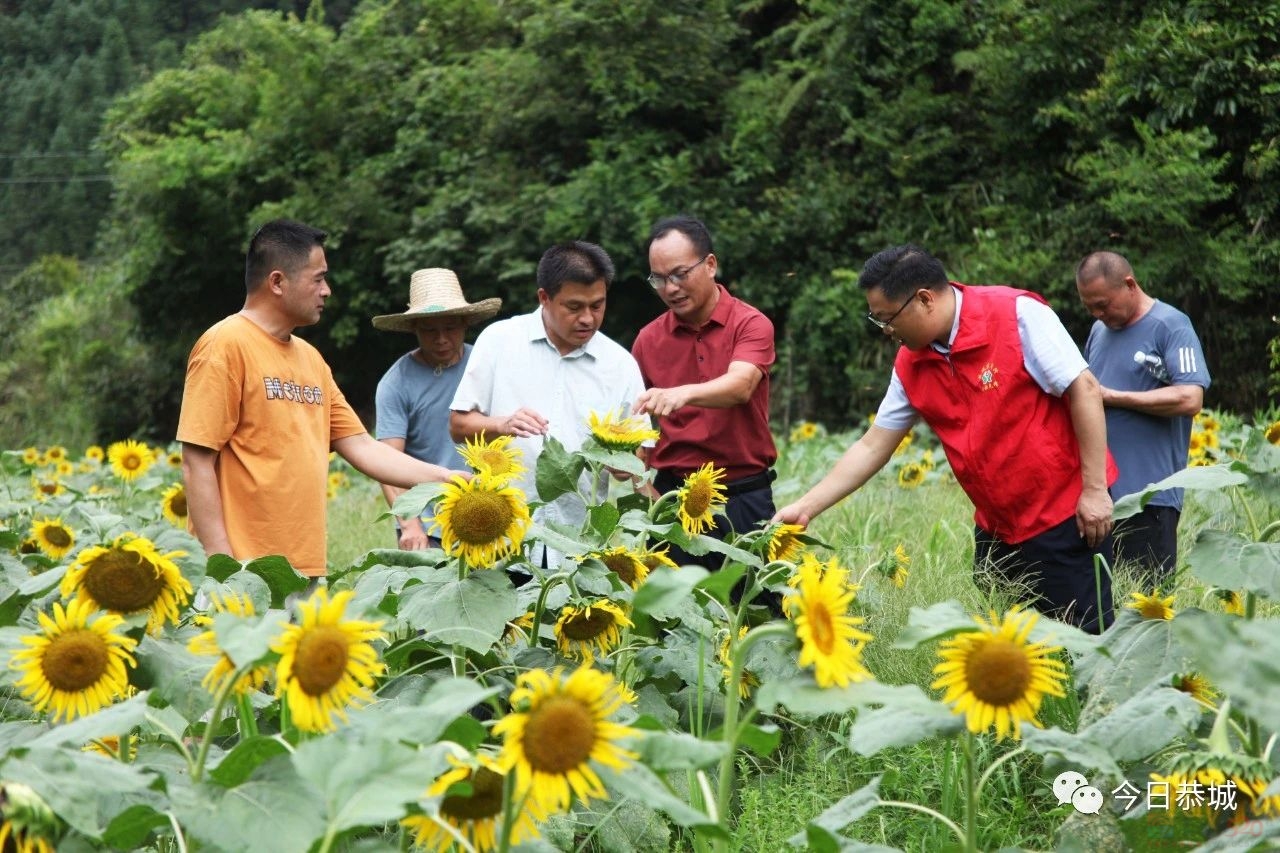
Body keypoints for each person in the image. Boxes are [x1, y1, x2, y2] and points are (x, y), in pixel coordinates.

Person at [775, 244, 1119, 633]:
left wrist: (1093, 490)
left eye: (888, 318)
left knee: (1082, 644)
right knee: (1012, 651)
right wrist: (806, 507)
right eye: (878, 319)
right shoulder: (911, 362)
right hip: (998, 527)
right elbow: (873, 445)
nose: (886, 330)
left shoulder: (1016, 315)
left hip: (1066, 513)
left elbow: (1084, 390)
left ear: (924, 299)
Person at [177, 219, 463, 580]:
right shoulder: (225, 345)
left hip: (305, 567)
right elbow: (196, 462)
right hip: (246, 570)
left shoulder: (311, 360)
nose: (326, 290)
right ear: (277, 282)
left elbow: (362, 446)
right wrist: (222, 564)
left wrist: (447, 478)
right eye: (318, 278)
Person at [449, 240, 646, 568]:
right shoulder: (499, 341)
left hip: (577, 540)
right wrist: (502, 424)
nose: (588, 318)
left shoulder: (619, 364)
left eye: (597, 305)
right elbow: (458, 425)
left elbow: (636, 461)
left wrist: (618, 459)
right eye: (574, 307)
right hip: (497, 529)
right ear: (544, 298)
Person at [631, 215, 778, 566]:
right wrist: (645, 492)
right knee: (673, 615)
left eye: (680, 274)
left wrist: (681, 394)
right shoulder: (648, 340)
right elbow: (636, 427)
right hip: (673, 500)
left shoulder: (751, 324)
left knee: (752, 612)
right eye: (659, 279)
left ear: (710, 265)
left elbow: (740, 386)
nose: (670, 288)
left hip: (743, 497)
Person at [1075, 251, 1210, 588]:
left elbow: (1191, 397)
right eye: (1090, 306)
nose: (1097, 313)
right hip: (1099, 499)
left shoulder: (1171, 325)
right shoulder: (1098, 330)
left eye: (1103, 304)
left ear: (1130, 285)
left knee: (1146, 610)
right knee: (1100, 610)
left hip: (1150, 497)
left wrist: (1115, 397)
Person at [372, 268, 501, 550]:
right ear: (414, 328)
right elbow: (387, 461)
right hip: (427, 523)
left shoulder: (484, 365)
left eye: (450, 328)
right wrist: (410, 525)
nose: (441, 338)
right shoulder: (396, 383)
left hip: (485, 512)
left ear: (465, 323)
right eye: (430, 330)